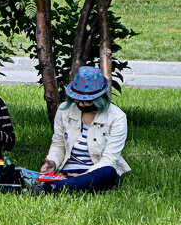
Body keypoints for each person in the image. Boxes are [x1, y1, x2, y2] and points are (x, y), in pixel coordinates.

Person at [35, 66, 130, 194]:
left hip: (97, 171)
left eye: (88, 101)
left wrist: (84, 175)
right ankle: (62, 185)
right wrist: (52, 162)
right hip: (67, 170)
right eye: (78, 99)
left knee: (108, 172)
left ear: (100, 98)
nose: (81, 104)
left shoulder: (117, 117)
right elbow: (58, 144)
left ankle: (54, 187)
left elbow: (109, 159)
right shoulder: (64, 110)